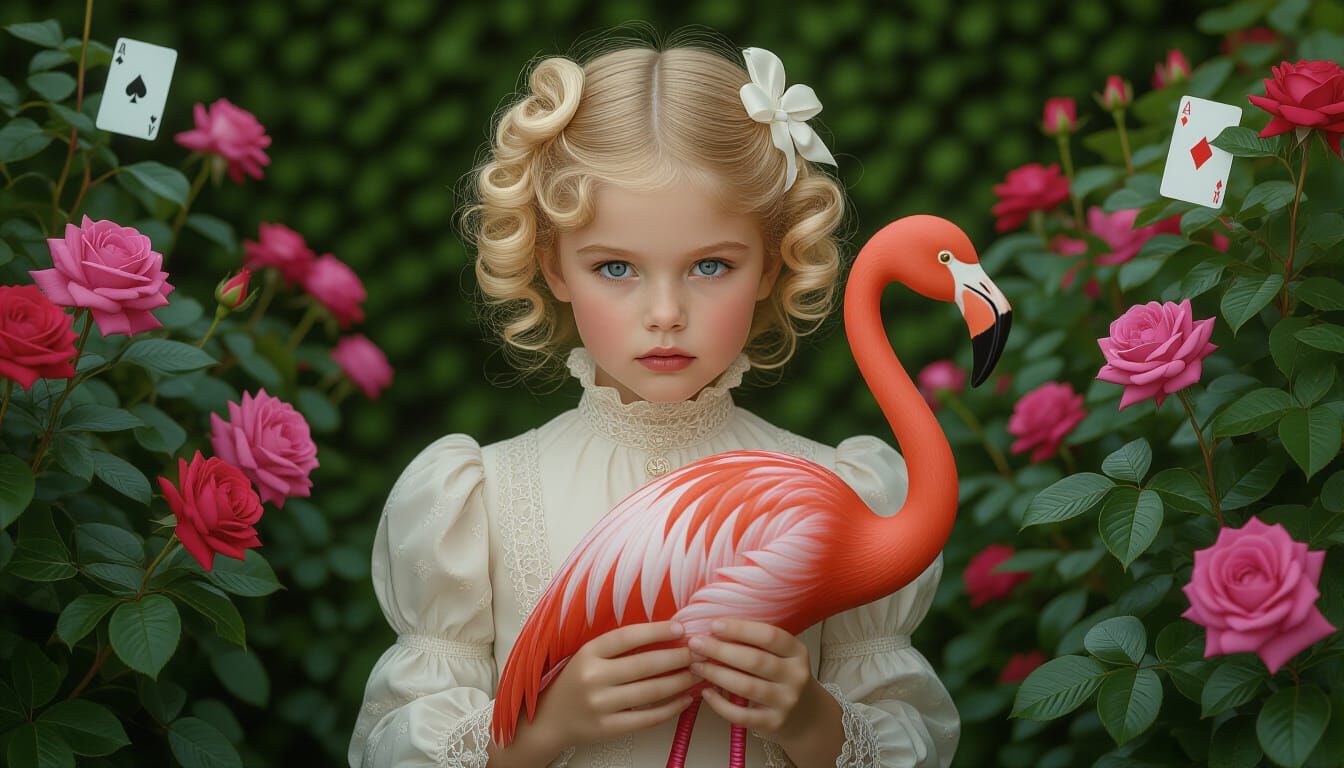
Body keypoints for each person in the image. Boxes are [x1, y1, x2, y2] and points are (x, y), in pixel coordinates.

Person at [349, 27, 959, 768]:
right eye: (615, 268)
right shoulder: (483, 499)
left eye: (709, 265)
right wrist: (543, 731)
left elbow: (916, 739)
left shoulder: (844, 494)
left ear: (770, 262)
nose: (665, 311)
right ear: (555, 265)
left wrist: (810, 722)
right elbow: (396, 744)